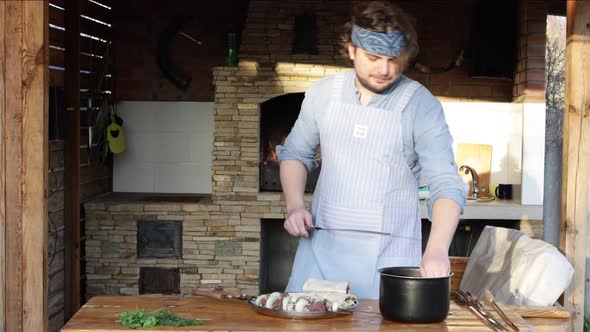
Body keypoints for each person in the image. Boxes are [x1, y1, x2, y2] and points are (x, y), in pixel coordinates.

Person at [275, 1, 467, 299]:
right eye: (373, 57)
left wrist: (437, 250)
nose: (384, 69)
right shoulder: (323, 94)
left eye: (394, 59)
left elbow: (445, 183)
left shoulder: (421, 105)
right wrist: (295, 206)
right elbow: (296, 154)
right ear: (352, 49)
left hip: (388, 263)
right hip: (320, 256)